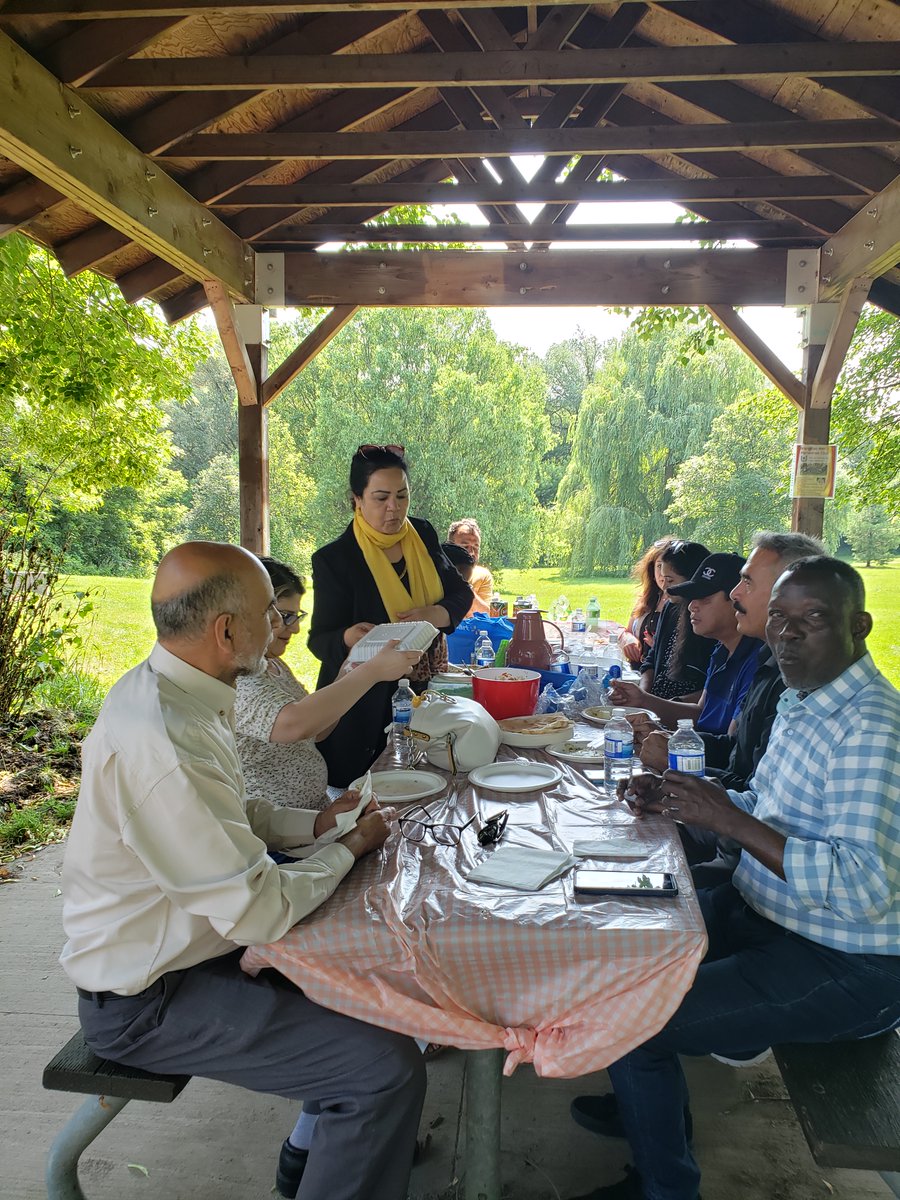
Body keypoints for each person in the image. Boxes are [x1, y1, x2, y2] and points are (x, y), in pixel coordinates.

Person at [60, 542, 426, 1200]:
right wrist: (346, 849)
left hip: (196, 952)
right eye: (271, 613)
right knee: (382, 1070)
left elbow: (233, 813)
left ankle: (311, 1163)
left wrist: (316, 826)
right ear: (227, 630)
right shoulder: (161, 734)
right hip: (150, 999)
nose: (282, 626)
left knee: (389, 989)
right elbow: (258, 907)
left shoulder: (180, 691)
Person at [569, 556, 900, 1200]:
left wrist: (728, 819)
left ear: (858, 625)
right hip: (769, 914)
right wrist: (685, 793)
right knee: (624, 934)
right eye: (778, 616)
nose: (788, 632)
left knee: (635, 1019)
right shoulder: (807, 699)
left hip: (848, 964)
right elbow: (763, 811)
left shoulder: (871, 727)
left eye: (814, 619)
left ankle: (666, 1185)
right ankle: (646, 1097)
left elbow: (862, 886)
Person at [309, 446, 473, 786]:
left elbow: (461, 594)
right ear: (357, 498)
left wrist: (434, 613)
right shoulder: (335, 559)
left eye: (402, 496)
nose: (394, 508)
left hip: (421, 694)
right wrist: (349, 637)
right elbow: (319, 640)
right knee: (364, 799)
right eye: (381, 497)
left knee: (432, 790)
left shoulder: (422, 534)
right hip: (361, 708)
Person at [235, 556, 423, 812]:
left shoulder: (274, 665)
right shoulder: (239, 675)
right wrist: (371, 671)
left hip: (312, 816)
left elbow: (317, 729)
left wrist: (348, 671)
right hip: (275, 833)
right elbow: (295, 724)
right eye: (285, 616)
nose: (295, 628)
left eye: (295, 616)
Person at [639, 532, 825, 787]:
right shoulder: (769, 663)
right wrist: (672, 743)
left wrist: (676, 763)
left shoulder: (792, 679)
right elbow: (737, 753)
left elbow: (755, 795)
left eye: (747, 583)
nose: (735, 594)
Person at [610, 554, 761, 737]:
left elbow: (731, 749)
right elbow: (700, 713)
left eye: (704, 599)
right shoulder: (722, 650)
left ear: (736, 601)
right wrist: (642, 700)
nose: (691, 607)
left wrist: (672, 744)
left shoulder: (756, 662)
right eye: (692, 598)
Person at [633, 541, 713, 702]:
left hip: (682, 715)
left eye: (670, 580)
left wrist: (655, 704)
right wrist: (642, 695)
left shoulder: (709, 620)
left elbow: (712, 693)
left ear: (692, 579)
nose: (665, 589)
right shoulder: (670, 608)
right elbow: (652, 659)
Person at [617, 537, 676, 665]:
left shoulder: (687, 606)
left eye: (670, 567)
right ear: (652, 570)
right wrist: (629, 640)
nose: (664, 573)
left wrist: (658, 648)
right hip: (635, 672)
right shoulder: (646, 598)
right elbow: (627, 632)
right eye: (659, 566)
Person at [447, 517, 493, 616]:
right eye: (465, 547)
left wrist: (462, 584)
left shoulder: (483, 575)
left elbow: (486, 614)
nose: (471, 553)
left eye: (476, 547)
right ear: (450, 546)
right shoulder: (434, 571)